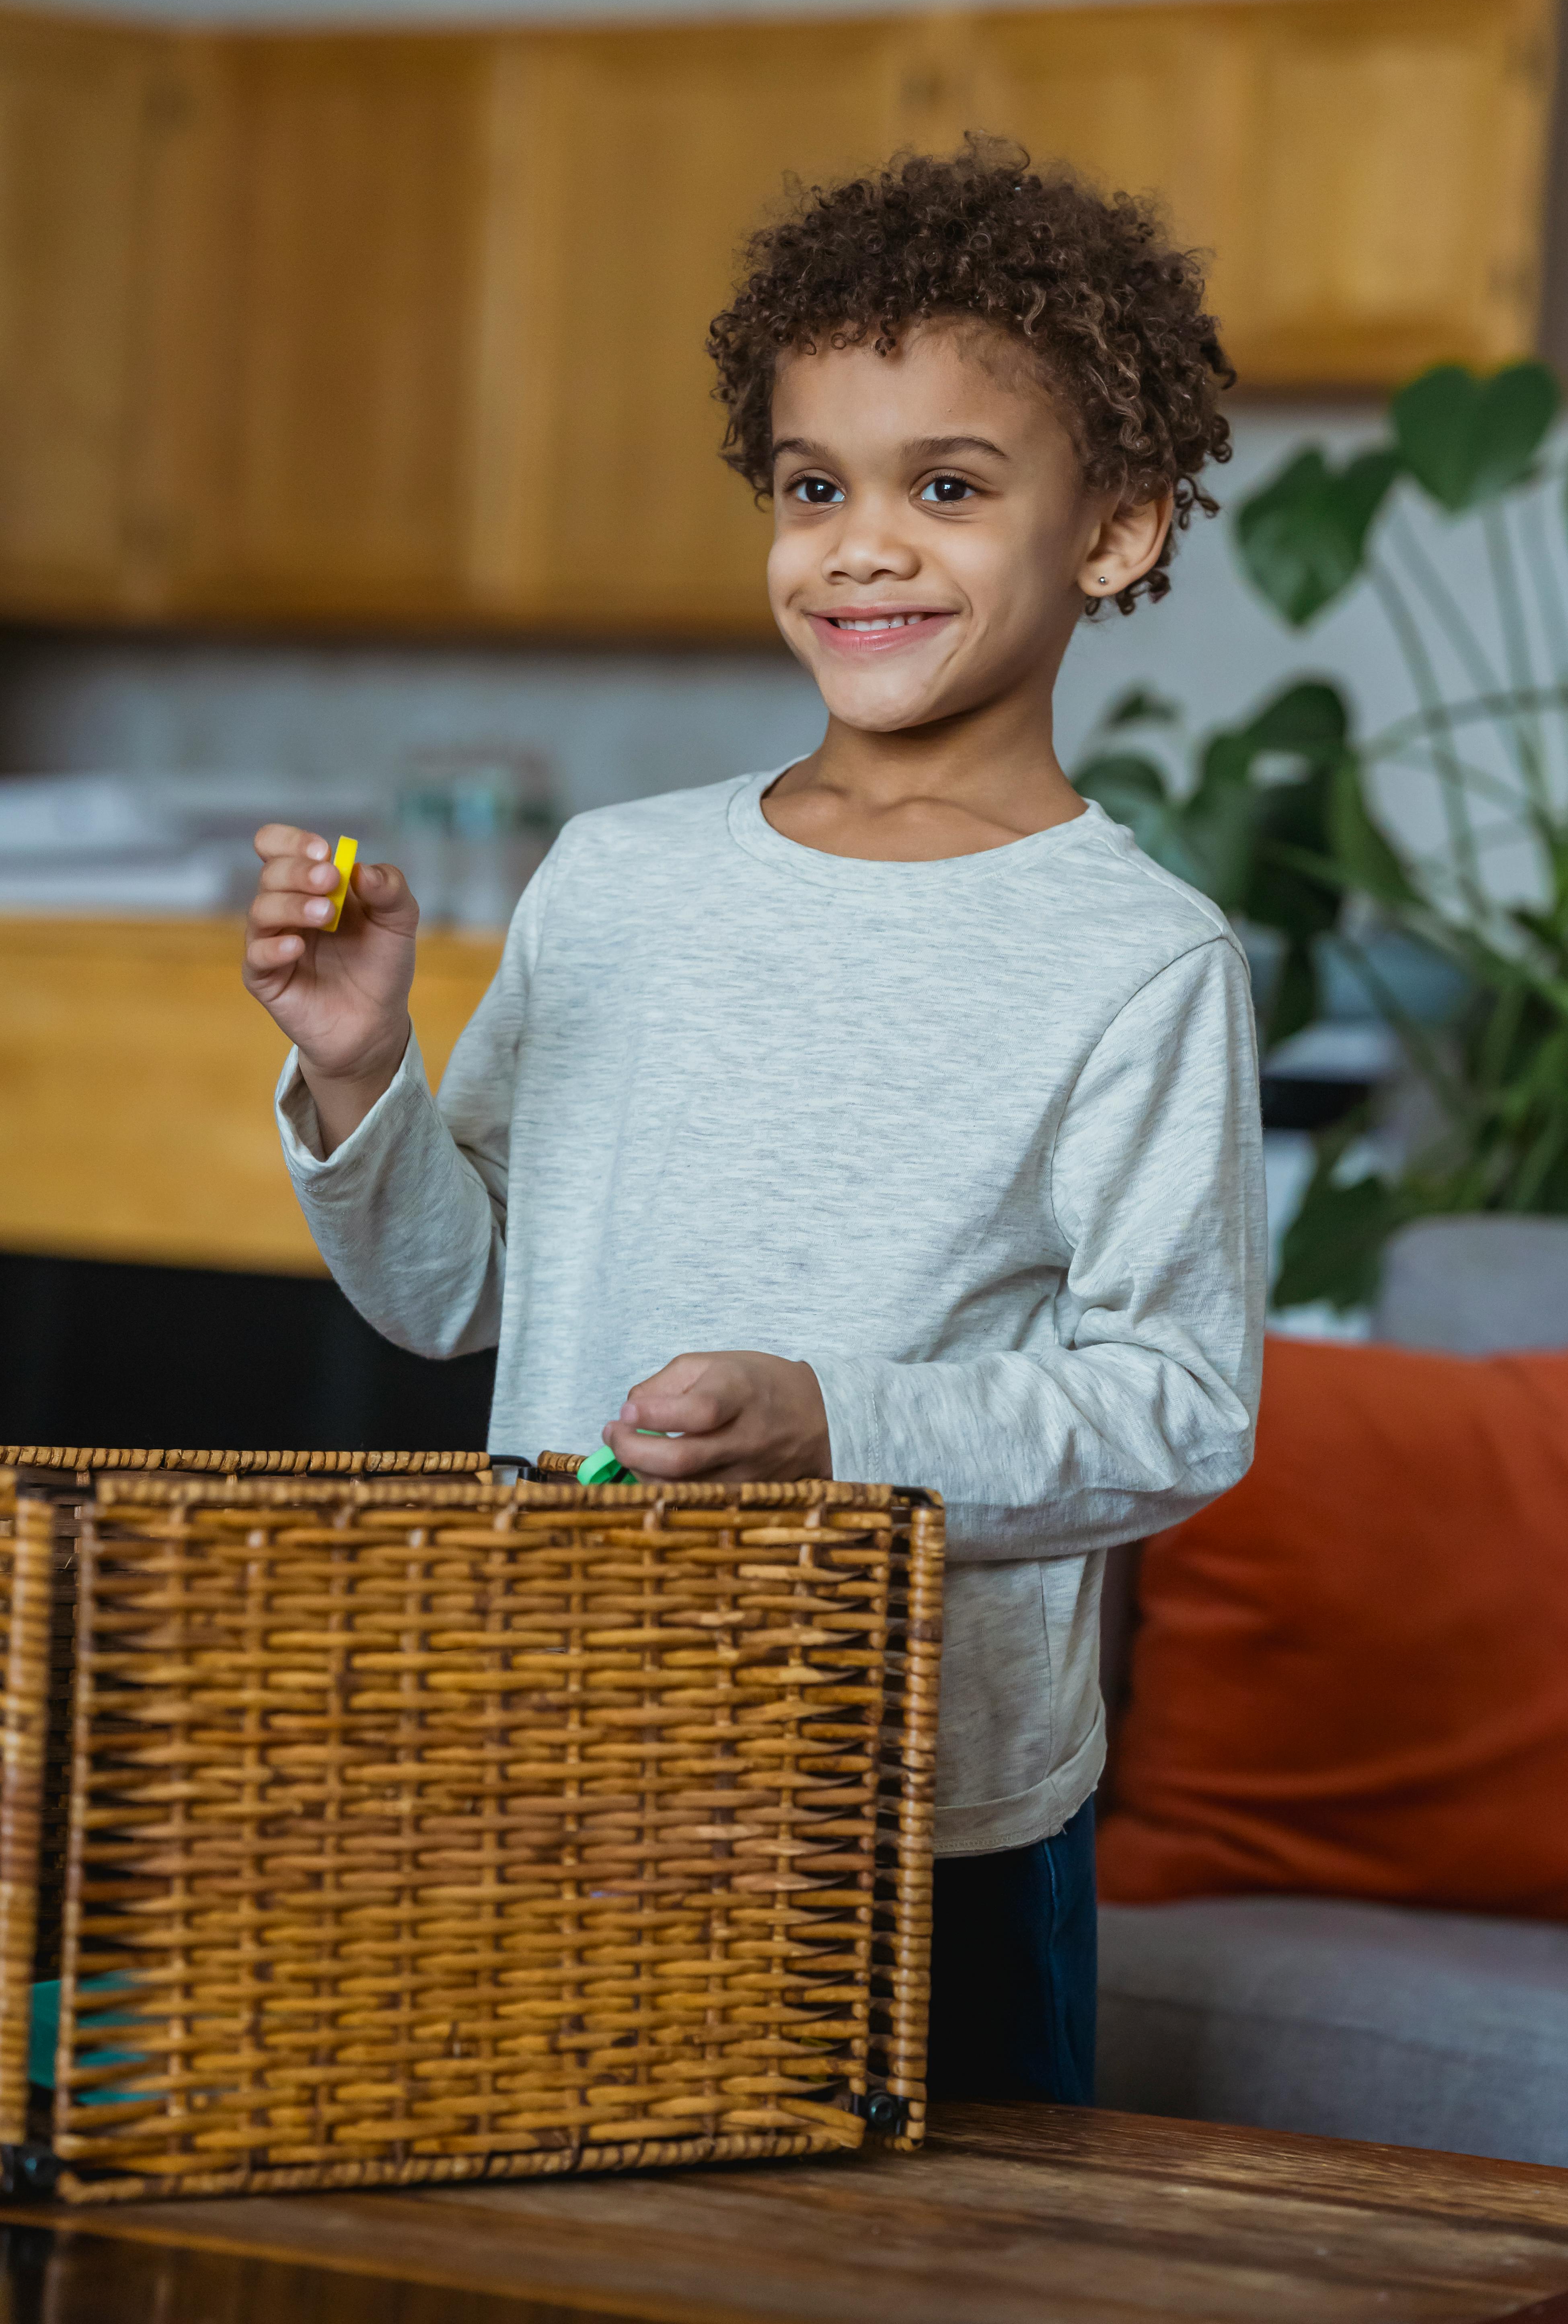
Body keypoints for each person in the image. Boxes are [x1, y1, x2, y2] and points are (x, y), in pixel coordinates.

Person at [244, 140, 1264, 2108]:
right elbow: (457, 1302)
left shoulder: (1138, 959)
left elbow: (1179, 1406)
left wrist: (833, 1425)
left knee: (927, 2277)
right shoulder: (612, 882)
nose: (858, 547)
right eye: (814, 487)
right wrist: (363, 1068)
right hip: (557, 1750)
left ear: (1118, 528)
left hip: (915, 1810)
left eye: (945, 490)